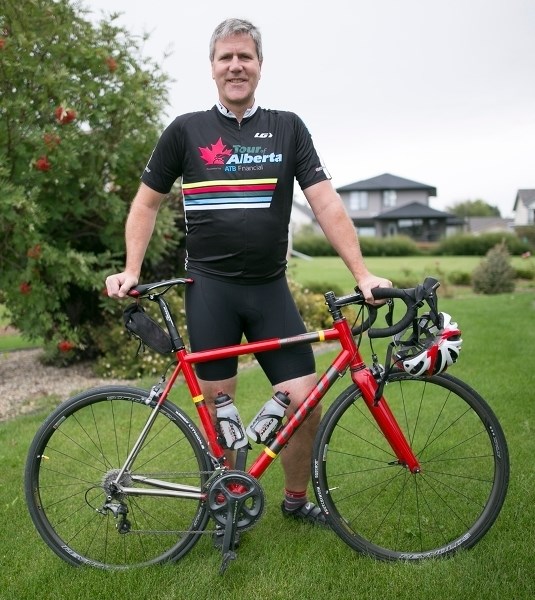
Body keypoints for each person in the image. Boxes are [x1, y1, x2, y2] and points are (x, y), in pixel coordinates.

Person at [106, 18, 392, 537]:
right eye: (225, 57)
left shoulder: (288, 127)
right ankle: (230, 504)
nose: (236, 66)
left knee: (306, 399)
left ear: (260, 66)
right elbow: (146, 204)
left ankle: (295, 500)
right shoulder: (186, 130)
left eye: (246, 57)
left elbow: (323, 201)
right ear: (212, 68)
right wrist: (131, 269)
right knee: (221, 408)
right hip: (209, 288)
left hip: (268, 288)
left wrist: (362, 272)